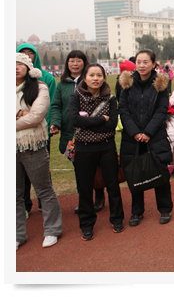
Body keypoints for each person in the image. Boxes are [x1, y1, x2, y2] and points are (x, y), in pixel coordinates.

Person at [69, 64, 125, 240]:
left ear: (104, 77)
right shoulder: (76, 96)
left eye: (99, 75)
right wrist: (101, 119)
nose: (95, 78)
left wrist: (88, 124)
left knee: (112, 185)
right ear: (85, 78)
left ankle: (117, 219)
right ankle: (86, 224)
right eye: (91, 75)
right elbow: (74, 120)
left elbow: (112, 124)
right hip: (83, 148)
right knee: (85, 188)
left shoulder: (111, 99)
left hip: (106, 147)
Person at [118, 49, 173, 225]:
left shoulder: (161, 84)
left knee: (159, 171)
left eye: (145, 62)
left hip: (155, 136)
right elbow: (123, 110)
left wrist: (148, 132)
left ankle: (165, 209)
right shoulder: (126, 83)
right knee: (135, 173)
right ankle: (136, 211)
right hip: (132, 138)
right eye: (138, 62)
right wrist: (135, 132)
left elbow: (161, 110)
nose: (141, 65)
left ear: (153, 64)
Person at [16, 53, 63, 250]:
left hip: (33, 145)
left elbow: (36, 116)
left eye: (20, 64)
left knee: (43, 189)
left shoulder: (39, 87)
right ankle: (17, 234)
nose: (15, 67)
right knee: (13, 193)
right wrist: (20, 113)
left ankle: (52, 229)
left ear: (29, 68)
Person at [50, 50, 105, 214]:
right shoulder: (62, 85)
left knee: (95, 166)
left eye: (78, 60)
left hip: (90, 130)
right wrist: (55, 123)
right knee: (79, 169)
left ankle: (99, 195)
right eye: (71, 60)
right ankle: (84, 200)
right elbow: (56, 106)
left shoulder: (90, 81)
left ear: (84, 62)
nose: (75, 64)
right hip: (70, 134)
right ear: (67, 64)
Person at [16, 44, 56, 217]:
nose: (27, 55)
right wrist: (21, 112)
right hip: (14, 142)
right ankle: (25, 205)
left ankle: (43, 206)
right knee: (16, 185)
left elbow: (44, 109)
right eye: (22, 53)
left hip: (37, 135)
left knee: (42, 179)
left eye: (30, 53)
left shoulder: (45, 80)